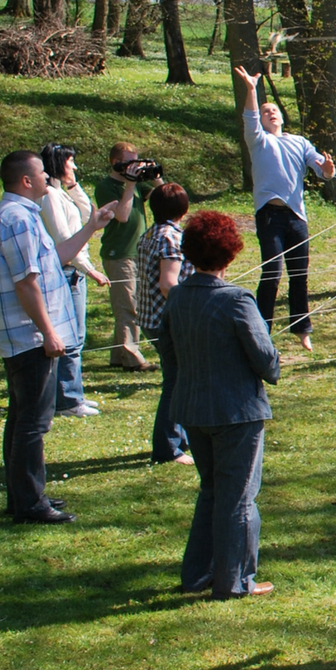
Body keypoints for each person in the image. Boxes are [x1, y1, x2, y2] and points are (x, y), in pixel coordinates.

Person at [0, 150, 119, 523]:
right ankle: (29, 504)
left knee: (23, 416)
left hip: (27, 336)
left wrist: (92, 226)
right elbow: (27, 283)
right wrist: (49, 332)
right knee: (33, 422)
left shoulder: (22, 216)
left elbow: (54, 258)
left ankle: (22, 496)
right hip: (30, 337)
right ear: (26, 181)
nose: (48, 178)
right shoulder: (17, 220)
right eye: (42, 173)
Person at [166, 210, 281, 598]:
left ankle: (197, 575)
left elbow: (170, 351)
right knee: (238, 498)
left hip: (194, 409)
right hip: (235, 414)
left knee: (213, 491)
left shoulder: (178, 296)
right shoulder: (237, 299)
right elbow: (265, 361)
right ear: (230, 253)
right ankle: (236, 581)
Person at [234, 65, 336, 350]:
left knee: (299, 275)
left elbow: (323, 170)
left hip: (295, 218)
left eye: (274, 110)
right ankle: (261, 330)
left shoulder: (299, 142)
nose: (271, 113)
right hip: (269, 216)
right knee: (272, 273)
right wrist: (252, 90)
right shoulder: (258, 141)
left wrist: (328, 170)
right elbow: (250, 117)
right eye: (266, 111)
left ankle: (302, 329)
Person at [36, 143, 107, 418]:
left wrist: (74, 186)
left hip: (75, 270)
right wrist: (90, 270)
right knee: (71, 338)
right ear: (57, 164)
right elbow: (65, 241)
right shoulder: (50, 197)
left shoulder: (62, 194)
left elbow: (92, 218)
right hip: (67, 271)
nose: (74, 167)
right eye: (70, 163)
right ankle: (67, 400)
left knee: (77, 336)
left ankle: (71, 395)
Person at [136, 182, 195, 466]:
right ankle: (168, 448)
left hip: (150, 318)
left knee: (179, 379)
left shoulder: (149, 234)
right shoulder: (171, 238)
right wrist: (195, 300)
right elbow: (168, 284)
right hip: (167, 321)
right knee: (175, 382)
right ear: (183, 210)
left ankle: (180, 439)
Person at [93, 140, 156, 370]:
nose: (134, 169)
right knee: (129, 307)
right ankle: (133, 359)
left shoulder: (138, 185)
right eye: (130, 164)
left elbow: (166, 197)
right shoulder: (106, 187)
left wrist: (154, 175)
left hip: (137, 252)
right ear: (116, 163)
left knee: (127, 304)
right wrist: (130, 185)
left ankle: (117, 355)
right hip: (119, 253)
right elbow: (122, 215)